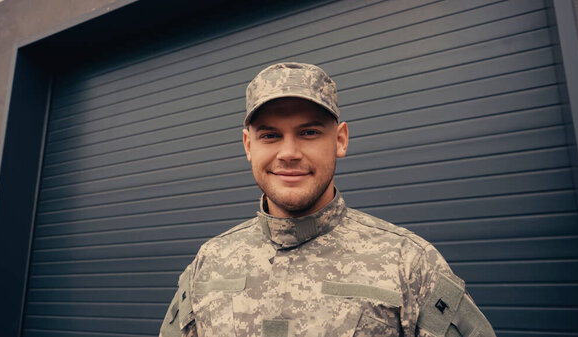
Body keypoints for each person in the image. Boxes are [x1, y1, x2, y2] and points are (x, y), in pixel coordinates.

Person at [159, 62, 496, 337]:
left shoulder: (408, 264)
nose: (288, 153)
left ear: (340, 140)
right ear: (249, 146)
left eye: (309, 132)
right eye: (270, 135)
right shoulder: (209, 263)